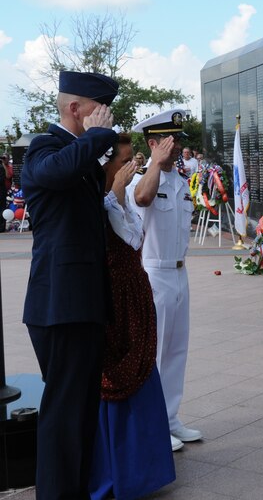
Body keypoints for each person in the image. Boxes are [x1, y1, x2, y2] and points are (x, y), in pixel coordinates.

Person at [22, 70, 119, 500]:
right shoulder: (46, 148)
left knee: (81, 414)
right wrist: (96, 139)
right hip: (59, 304)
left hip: (83, 302)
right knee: (63, 414)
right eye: (100, 112)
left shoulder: (79, 154)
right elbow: (58, 171)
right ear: (75, 109)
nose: (108, 121)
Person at [89, 134, 175, 500]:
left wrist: (120, 193)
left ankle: (147, 468)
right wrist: (118, 192)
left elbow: (136, 236)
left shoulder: (118, 200)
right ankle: (116, 470)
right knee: (116, 373)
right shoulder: (96, 200)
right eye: (125, 161)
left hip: (134, 297)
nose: (132, 167)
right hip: (113, 301)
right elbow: (119, 238)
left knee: (144, 369)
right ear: (107, 165)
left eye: (132, 160)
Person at [128, 109, 202, 450]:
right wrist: (154, 164)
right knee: (154, 353)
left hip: (180, 273)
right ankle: (154, 424)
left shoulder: (181, 182)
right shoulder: (142, 180)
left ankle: (171, 418)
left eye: (178, 142)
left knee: (177, 351)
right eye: (170, 142)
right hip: (154, 273)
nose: (177, 148)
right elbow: (141, 199)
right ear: (154, 143)